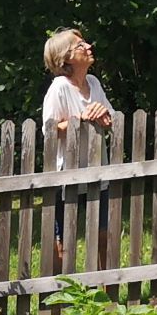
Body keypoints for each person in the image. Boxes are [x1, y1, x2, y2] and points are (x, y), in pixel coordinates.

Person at [40, 29, 117, 272]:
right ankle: (59, 290)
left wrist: (104, 116)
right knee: (63, 240)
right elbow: (49, 130)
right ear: (66, 58)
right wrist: (79, 119)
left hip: (98, 172)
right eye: (80, 45)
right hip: (67, 176)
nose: (88, 46)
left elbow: (112, 117)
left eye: (86, 42)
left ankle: (103, 288)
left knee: (103, 235)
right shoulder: (60, 87)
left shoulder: (93, 83)